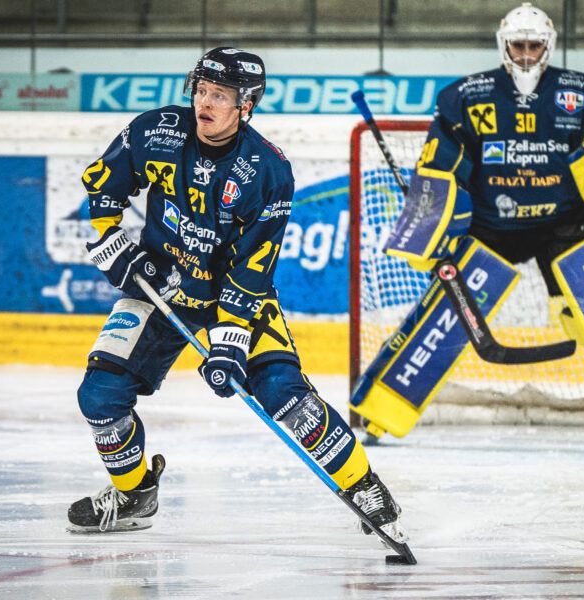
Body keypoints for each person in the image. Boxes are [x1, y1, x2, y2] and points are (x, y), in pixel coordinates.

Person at [68, 47, 407, 541]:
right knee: (99, 396)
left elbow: (251, 269)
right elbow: (104, 182)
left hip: (237, 298)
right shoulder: (157, 130)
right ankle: (135, 495)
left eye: (220, 95)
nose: (204, 103)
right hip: (161, 289)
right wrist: (109, 240)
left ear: (246, 104)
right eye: (201, 90)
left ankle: (364, 487)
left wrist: (230, 340)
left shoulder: (268, 171)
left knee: (284, 396)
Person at [350, 3, 584, 446]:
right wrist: (433, 223)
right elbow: (441, 165)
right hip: (493, 226)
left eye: (535, 45)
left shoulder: (583, 92)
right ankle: (381, 412)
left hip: (567, 222)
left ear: (548, 46)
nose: (527, 54)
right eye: (519, 45)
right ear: (504, 45)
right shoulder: (467, 96)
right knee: (445, 318)